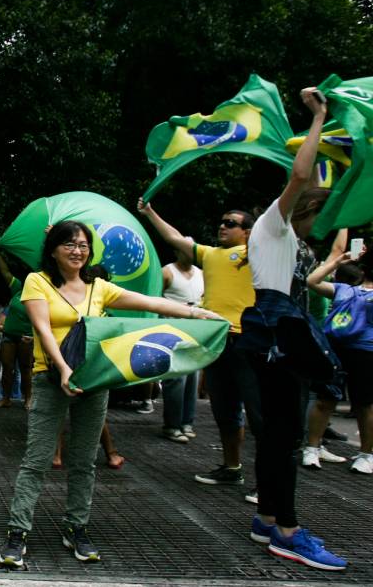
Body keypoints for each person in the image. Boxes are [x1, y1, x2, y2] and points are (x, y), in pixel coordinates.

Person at [0, 220, 222, 567]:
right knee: (36, 460)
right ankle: (18, 532)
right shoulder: (37, 282)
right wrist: (64, 369)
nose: (77, 251)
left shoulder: (98, 287)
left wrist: (195, 313)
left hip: (92, 382)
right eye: (69, 244)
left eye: (83, 245)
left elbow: (150, 302)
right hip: (51, 379)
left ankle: (76, 527)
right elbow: (43, 329)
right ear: (53, 249)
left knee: (84, 461)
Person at [236, 87, 346, 570]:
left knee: (277, 437)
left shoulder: (293, 241)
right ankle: (287, 531)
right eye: (320, 214)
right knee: (285, 440)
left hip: (278, 333)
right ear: (303, 208)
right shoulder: (273, 225)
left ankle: (266, 518)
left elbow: (321, 188)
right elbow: (302, 175)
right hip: (274, 332)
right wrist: (318, 117)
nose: (323, 223)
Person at [138, 197, 259, 498]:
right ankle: (232, 468)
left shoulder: (257, 254)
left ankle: (268, 482)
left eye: (230, 223)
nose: (222, 226)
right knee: (225, 409)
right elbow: (174, 238)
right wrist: (149, 211)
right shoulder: (210, 255)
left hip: (249, 341)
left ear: (247, 232)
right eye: (222, 221)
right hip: (216, 339)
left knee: (259, 414)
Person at [305, 235, 372, 474]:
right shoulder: (345, 290)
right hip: (336, 349)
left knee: (364, 404)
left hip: (366, 352)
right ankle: (312, 449)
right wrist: (337, 261)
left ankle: (367, 454)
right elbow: (312, 281)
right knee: (326, 399)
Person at [159, 247, 205, 442]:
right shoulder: (167, 272)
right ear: (177, 251)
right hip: (172, 331)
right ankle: (172, 425)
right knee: (176, 378)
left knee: (193, 378)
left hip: (195, 332)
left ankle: (187, 422)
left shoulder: (201, 274)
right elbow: (155, 297)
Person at [0, 251, 33, 408]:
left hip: (26, 337)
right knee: (7, 367)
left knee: (26, 369)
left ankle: (28, 398)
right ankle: (6, 398)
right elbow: (5, 272)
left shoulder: (39, 294)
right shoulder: (17, 289)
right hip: (8, 336)